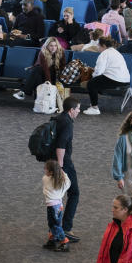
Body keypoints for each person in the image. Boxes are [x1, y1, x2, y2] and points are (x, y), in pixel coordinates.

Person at [56, 97, 82, 243]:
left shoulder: (59, 118)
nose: (79, 111)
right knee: (74, 193)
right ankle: (65, 228)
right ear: (71, 110)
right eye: (78, 108)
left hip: (54, 162)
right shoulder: (68, 124)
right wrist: (61, 167)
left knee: (57, 196)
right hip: (64, 163)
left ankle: (56, 229)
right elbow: (61, 145)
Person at [83, 37, 130, 116]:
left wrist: (92, 77)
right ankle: (93, 105)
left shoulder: (104, 53)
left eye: (99, 45)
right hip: (125, 80)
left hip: (115, 79)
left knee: (91, 83)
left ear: (104, 45)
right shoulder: (115, 52)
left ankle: (95, 108)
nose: (97, 47)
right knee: (97, 82)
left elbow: (98, 72)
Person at [41, 159, 72, 252]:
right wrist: (62, 172)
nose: (44, 170)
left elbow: (45, 177)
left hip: (51, 207)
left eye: (45, 169)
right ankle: (52, 240)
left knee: (53, 225)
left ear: (50, 172)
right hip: (59, 206)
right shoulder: (63, 182)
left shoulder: (46, 179)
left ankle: (64, 242)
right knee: (56, 223)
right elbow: (68, 182)